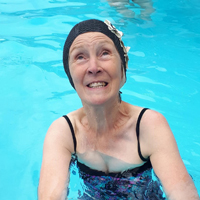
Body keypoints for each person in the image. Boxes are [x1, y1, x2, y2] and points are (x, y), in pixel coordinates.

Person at [38, 19, 199, 200]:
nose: (93, 68)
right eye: (80, 57)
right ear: (70, 76)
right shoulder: (65, 131)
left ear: (123, 69)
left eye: (105, 53)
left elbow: (182, 192)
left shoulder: (148, 125)